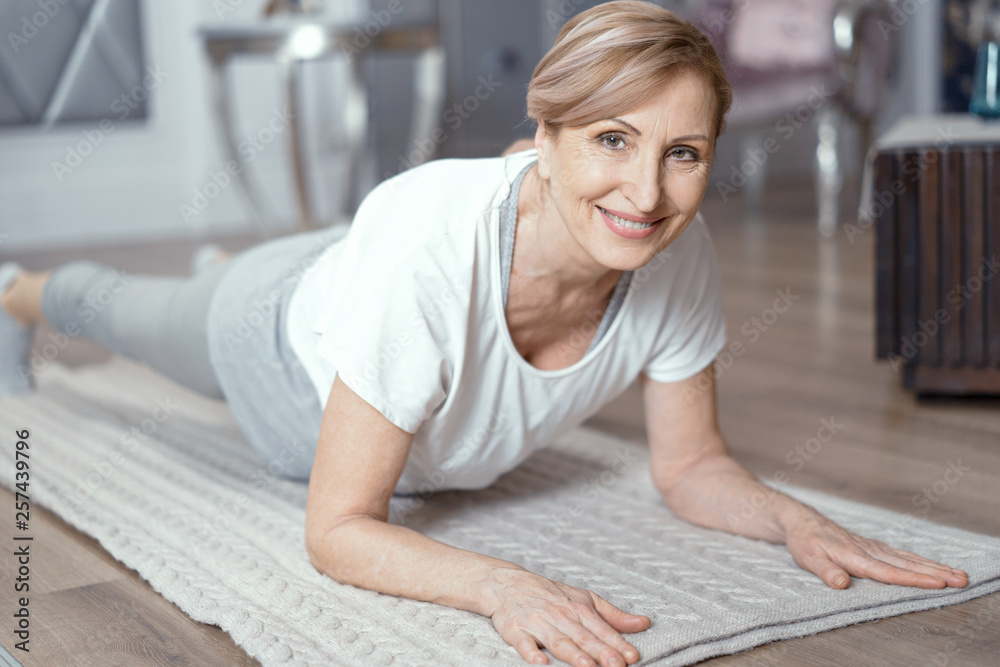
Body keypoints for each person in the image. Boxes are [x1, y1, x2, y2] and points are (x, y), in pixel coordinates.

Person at [0, 3, 969, 665]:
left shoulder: (679, 251)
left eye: (682, 154)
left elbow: (690, 466)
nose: (646, 193)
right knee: (116, 310)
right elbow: (338, 529)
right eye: (610, 140)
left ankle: (331, 255)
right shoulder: (431, 248)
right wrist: (500, 587)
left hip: (405, 256)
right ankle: (14, 288)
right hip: (278, 350)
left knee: (394, 246)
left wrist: (790, 515)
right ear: (541, 137)